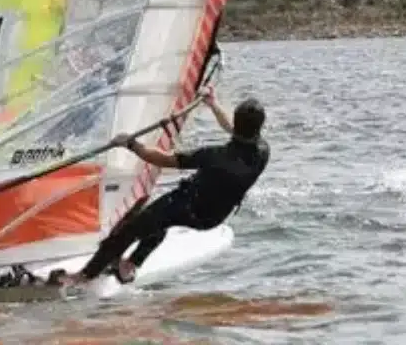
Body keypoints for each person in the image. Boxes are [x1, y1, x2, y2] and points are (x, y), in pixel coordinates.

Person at [63, 88, 269, 287]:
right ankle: (131, 264)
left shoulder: (214, 156)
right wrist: (213, 104)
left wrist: (130, 144)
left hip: (187, 203)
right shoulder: (262, 151)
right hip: (213, 217)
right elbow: (234, 130)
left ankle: (83, 277)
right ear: (259, 128)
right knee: (158, 221)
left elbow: (162, 159)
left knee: (132, 228)